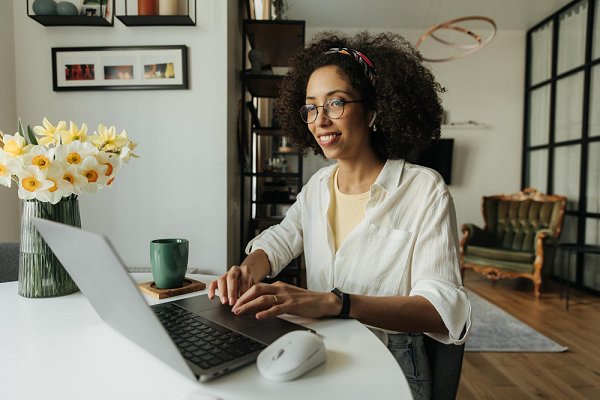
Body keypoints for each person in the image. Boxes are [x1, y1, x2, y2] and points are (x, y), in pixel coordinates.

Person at [209, 31, 471, 399]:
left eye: (335, 103)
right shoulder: (319, 186)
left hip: (393, 358)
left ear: (374, 110)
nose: (320, 121)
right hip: (321, 344)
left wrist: (338, 303)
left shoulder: (423, 190)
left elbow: (440, 309)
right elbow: (280, 239)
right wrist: (248, 270)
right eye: (311, 107)